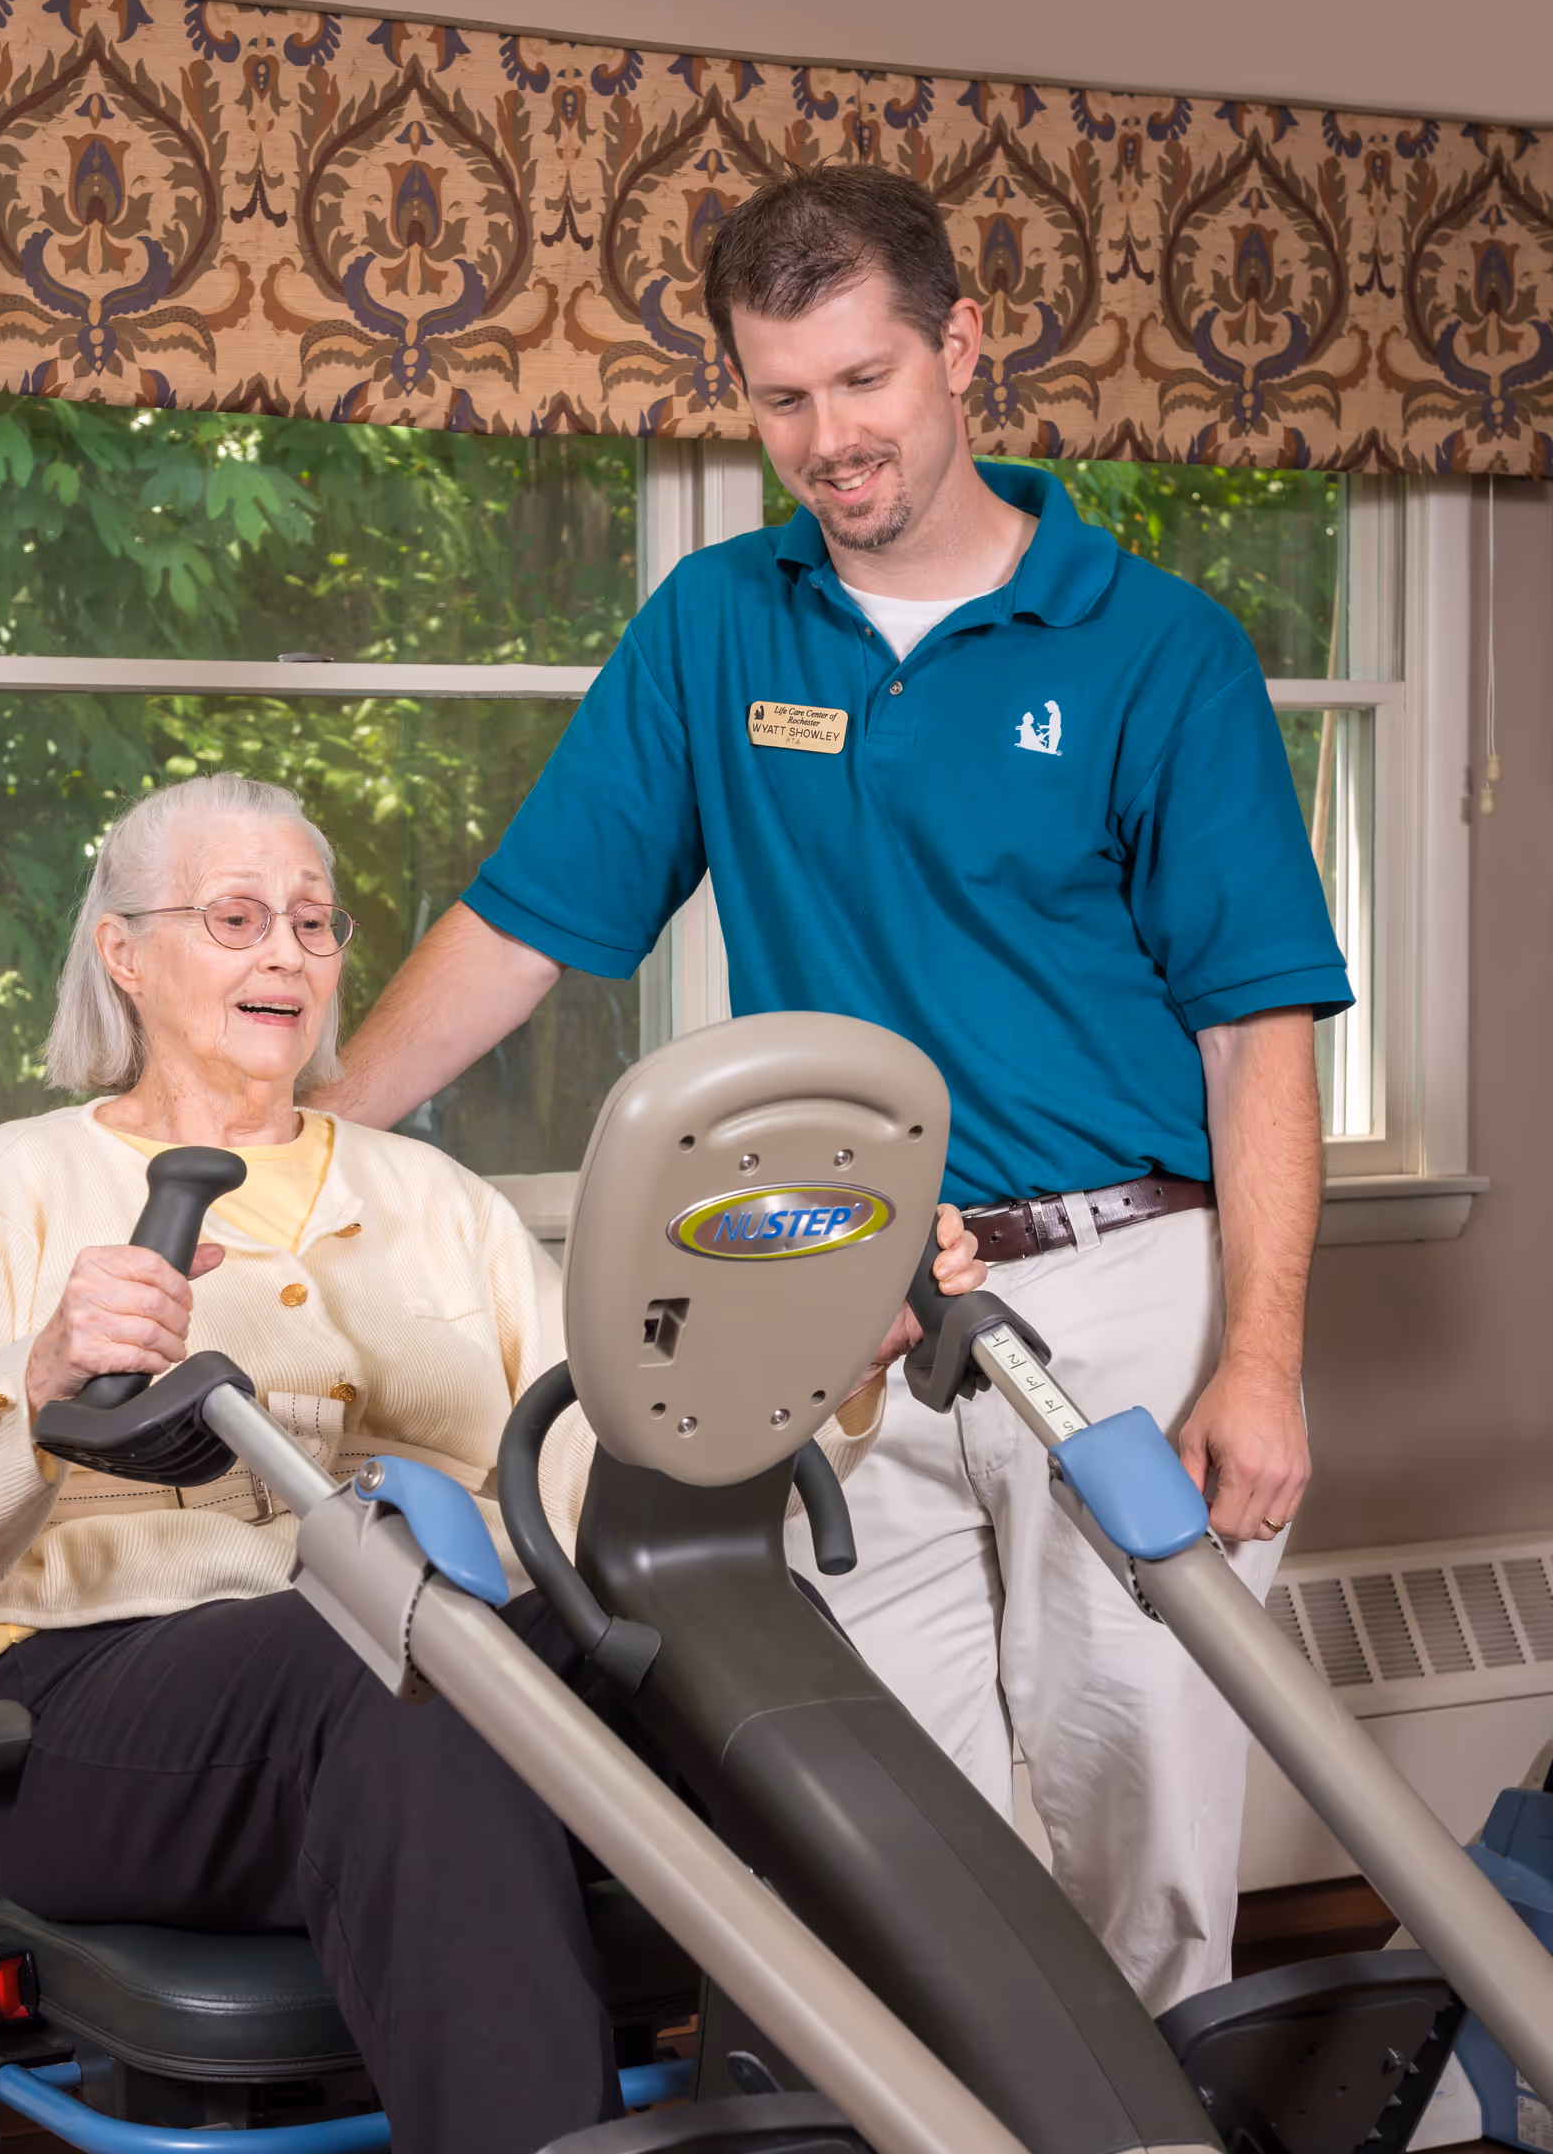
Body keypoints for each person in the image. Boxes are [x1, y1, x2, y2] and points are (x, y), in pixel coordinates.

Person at [307, 168, 1354, 2014]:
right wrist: (299, 1138)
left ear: (962, 349)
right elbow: (527, 926)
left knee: (1145, 1837)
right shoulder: (723, 625)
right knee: (897, 1848)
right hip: (852, 1308)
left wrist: (1256, 1360)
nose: (827, 440)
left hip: (1117, 1301)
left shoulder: (1152, 648)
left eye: (863, 383)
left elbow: (1259, 1025)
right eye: (780, 398)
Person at [0, 771, 975, 2154]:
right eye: (231, 916)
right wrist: (44, 1366)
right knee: (393, 1663)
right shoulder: (23, 1185)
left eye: (311, 918)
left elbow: (588, 1497)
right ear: (126, 957)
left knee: (713, 1669)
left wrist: (814, 1365)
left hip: (432, 1687)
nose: (283, 947)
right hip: (100, 1714)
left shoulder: (432, 1202)